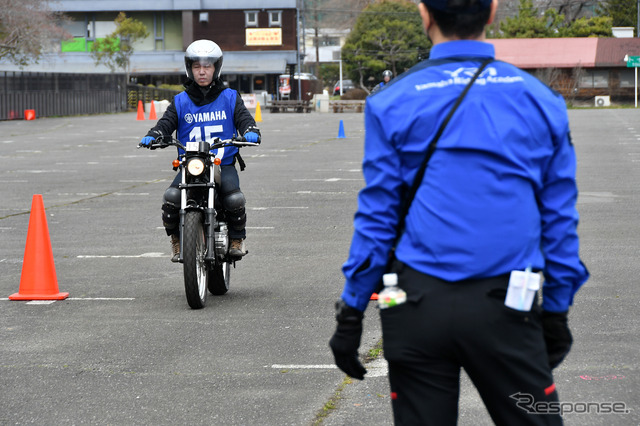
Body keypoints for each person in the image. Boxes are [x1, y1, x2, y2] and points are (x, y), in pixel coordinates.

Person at [329, 0, 589, 424]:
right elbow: (558, 218)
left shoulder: (391, 100)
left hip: (414, 304)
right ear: (491, 12)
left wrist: (352, 310)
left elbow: (377, 218)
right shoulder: (540, 99)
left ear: (424, 14)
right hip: (507, 303)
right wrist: (557, 309)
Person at [139, 40, 260, 261]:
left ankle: (236, 239)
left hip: (221, 164)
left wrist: (251, 131)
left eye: (207, 66)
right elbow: (165, 124)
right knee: (172, 197)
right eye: (197, 66)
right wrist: (154, 134)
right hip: (191, 164)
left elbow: (245, 120)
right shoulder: (180, 101)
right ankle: (176, 239)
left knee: (233, 198)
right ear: (189, 68)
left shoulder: (230, 97)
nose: (202, 71)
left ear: (216, 68)